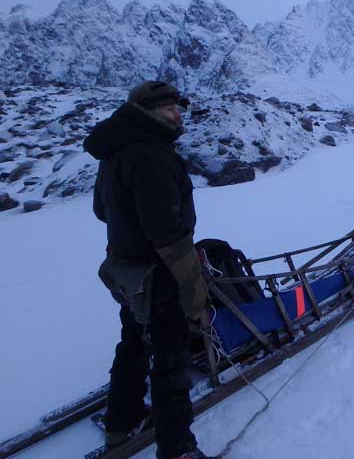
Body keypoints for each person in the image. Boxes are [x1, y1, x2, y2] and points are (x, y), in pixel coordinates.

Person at [84, 81, 217, 459]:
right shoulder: (151, 154)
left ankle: (120, 426)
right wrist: (193, 290)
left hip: (126, 271)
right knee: (170, 359)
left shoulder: (114, 150)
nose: (178, 115)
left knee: (133, 345)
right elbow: (167, 233)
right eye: (168, 109)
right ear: (146, 112)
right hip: (160, 273)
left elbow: (101, 210)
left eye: (178, 107)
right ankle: (178, 450)